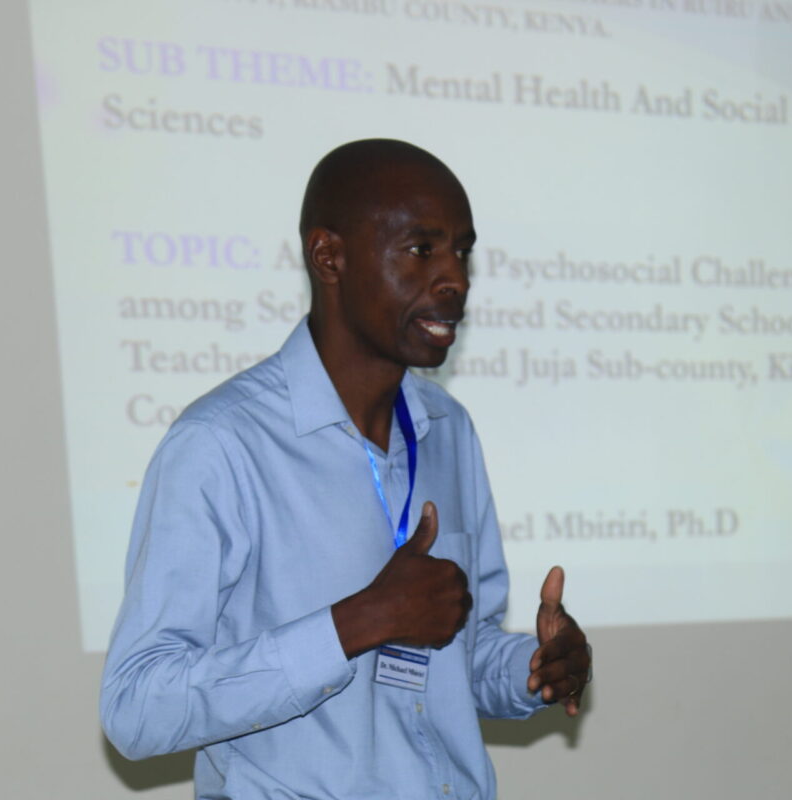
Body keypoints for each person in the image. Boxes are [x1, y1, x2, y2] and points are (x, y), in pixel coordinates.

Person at [100, 139, 591, 800]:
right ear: (328, 256)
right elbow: (136, 707)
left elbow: (457, 658)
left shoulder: (448, 428)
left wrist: (535, 667)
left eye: (462, 251)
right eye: (422, 249)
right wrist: (356, 624)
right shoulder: (221, 444)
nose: (455, 279)